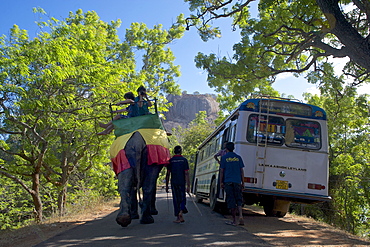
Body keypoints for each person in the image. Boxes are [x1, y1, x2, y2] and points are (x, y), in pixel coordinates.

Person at [220, 142, 245, 226]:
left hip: (228, 181)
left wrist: (221, 182)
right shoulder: (238, 158)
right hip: (237, 181)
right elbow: (241, 171)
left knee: (231, 201)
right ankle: (241, 216)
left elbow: (222, 171)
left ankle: (234, 220)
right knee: (239, 199)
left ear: (226, 149)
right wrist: (243, 182)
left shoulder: (224, 158)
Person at [165, 146, 190, 223]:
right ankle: (181, 212)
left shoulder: (171, 161)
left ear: (174, 151)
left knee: (176, 199)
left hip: (174, 182)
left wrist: (166, 185)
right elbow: (186, 173)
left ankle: (178, 216)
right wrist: (188, 185)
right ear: (181, 151)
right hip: (182, 182)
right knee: (182, 197)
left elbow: (168, 173)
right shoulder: (184, 160)